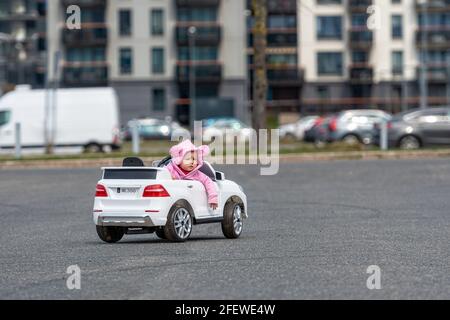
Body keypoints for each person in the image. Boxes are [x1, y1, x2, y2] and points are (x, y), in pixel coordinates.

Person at [166, 139, 218, 210]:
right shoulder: (170, 169)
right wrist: (169, 177)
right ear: (179, 160)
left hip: (190, 205)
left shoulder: (197, 174)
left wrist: (213, 198)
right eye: (188, 159)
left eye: (194, 159)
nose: (191, 162)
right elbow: (161, 175)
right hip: (170, 202)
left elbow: (209, 183)